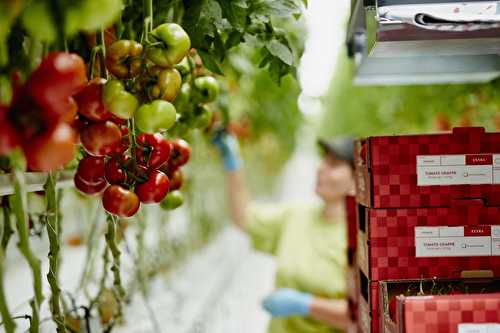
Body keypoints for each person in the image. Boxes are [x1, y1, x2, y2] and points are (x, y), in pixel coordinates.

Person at [213, 131, 355, 333]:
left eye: (333, 165)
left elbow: (364, 313)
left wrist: (306, 304)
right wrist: (233, 164)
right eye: (323, 160)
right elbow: (243, 217)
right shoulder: (296, 216)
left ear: (358, 180)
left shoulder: (361, 239)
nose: (321, 168)